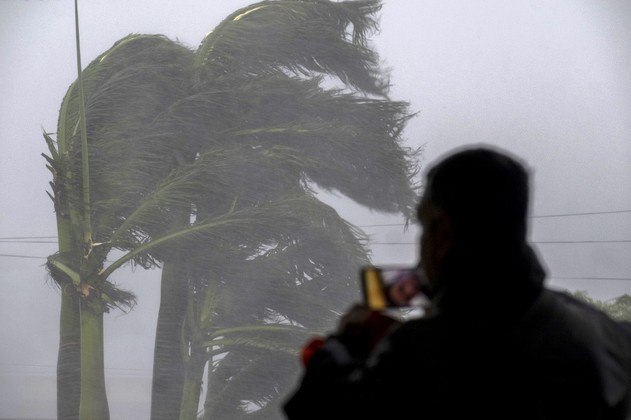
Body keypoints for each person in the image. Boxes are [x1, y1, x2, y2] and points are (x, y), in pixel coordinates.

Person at [283, 145, 631, 419]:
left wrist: (344, 343)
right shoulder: (601, 330)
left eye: (424, 225)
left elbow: (319, 407)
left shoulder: (421, 351)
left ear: (444, 234)